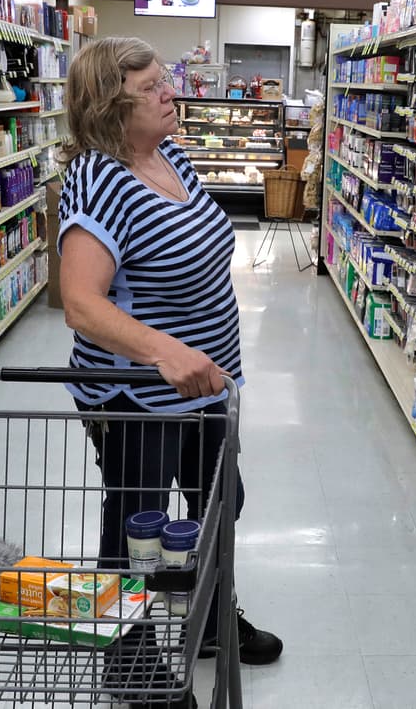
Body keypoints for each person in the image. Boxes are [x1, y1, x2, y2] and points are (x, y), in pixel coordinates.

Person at [56, 37, 283, 671]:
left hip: (205, 384)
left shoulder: (170, 157)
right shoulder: (98, 179)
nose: (169, 92)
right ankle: (126, 649)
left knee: (219, 501)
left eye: (166, 78)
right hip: (137, 394)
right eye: (151, 87)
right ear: (108, 106)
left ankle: (210, 614)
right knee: (138, 525)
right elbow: (81, 303)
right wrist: (164, 352)